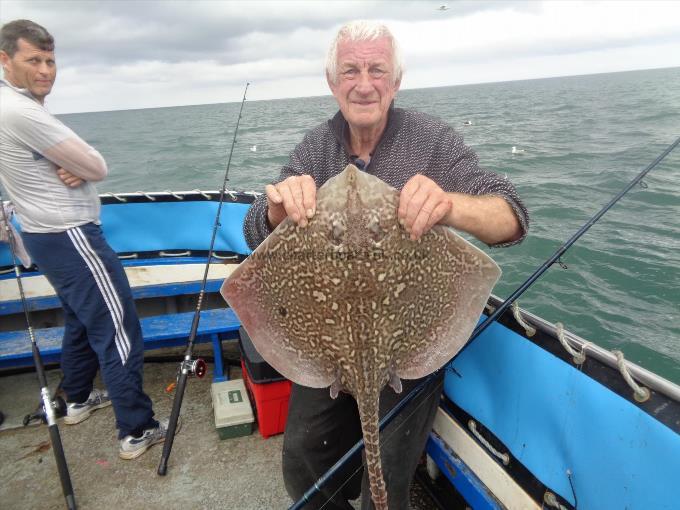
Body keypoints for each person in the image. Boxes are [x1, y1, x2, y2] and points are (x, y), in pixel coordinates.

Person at [243, 20, 529, 509]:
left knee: (390, 469)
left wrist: (450, 205)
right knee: (302, 457)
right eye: (350, 70)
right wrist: (274, 208)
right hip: (327, 339)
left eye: (377, 69)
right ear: (333, 83)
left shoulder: (431, 140)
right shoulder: (316, 147)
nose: (364, 82)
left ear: (395, 82)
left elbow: (512, 217)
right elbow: (254, 232)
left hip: (409, 336)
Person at [0, 19, 172, 460]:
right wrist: (86, 166)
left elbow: (82, 165)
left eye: (50, 61)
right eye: (33, 60)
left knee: (81, 319)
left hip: (42, 236)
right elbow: (97, 165)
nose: (45, 70)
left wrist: (79, 165)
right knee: (118, 328)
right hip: (71, 235)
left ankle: (75, 399)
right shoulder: (21, 111)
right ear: (5, 60)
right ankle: (137, 429)